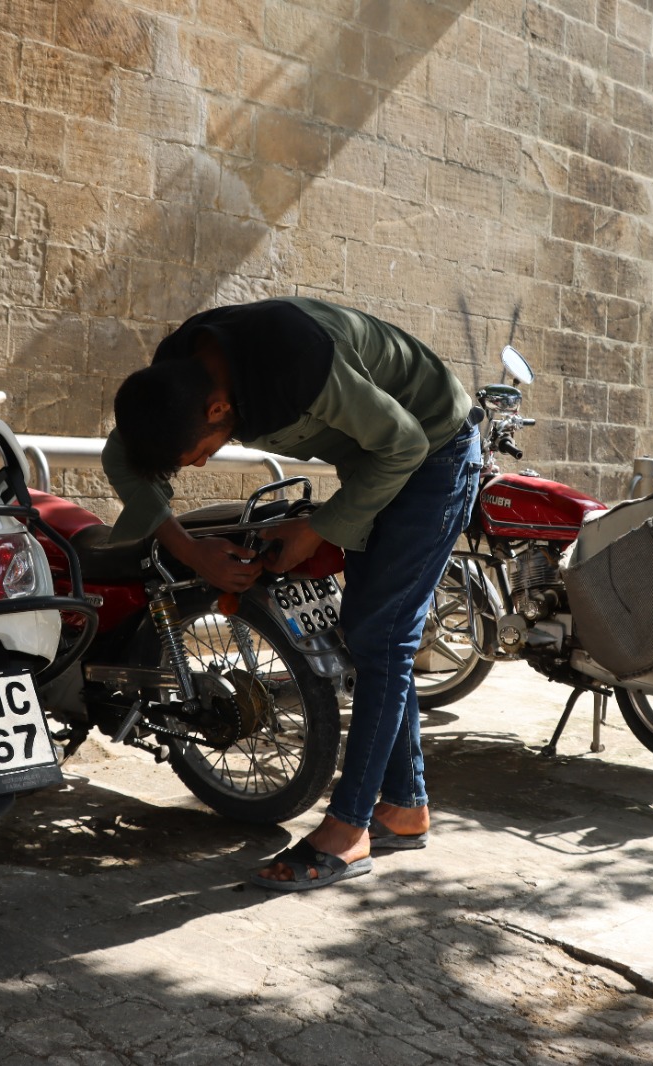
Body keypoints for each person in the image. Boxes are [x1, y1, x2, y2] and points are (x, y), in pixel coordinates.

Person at [101, 296, 480, 891]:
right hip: (375, 460)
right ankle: (404, 809)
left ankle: (349, 831)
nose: (200, 466)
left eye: (200, 452)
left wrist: (316, 528)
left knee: (383, 638)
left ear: (219, 407)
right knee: (373, 635)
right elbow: (122, 457)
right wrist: (191, 549)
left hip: (434, 451)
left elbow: (404, 444)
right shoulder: (174, 378)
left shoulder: (298, 362)